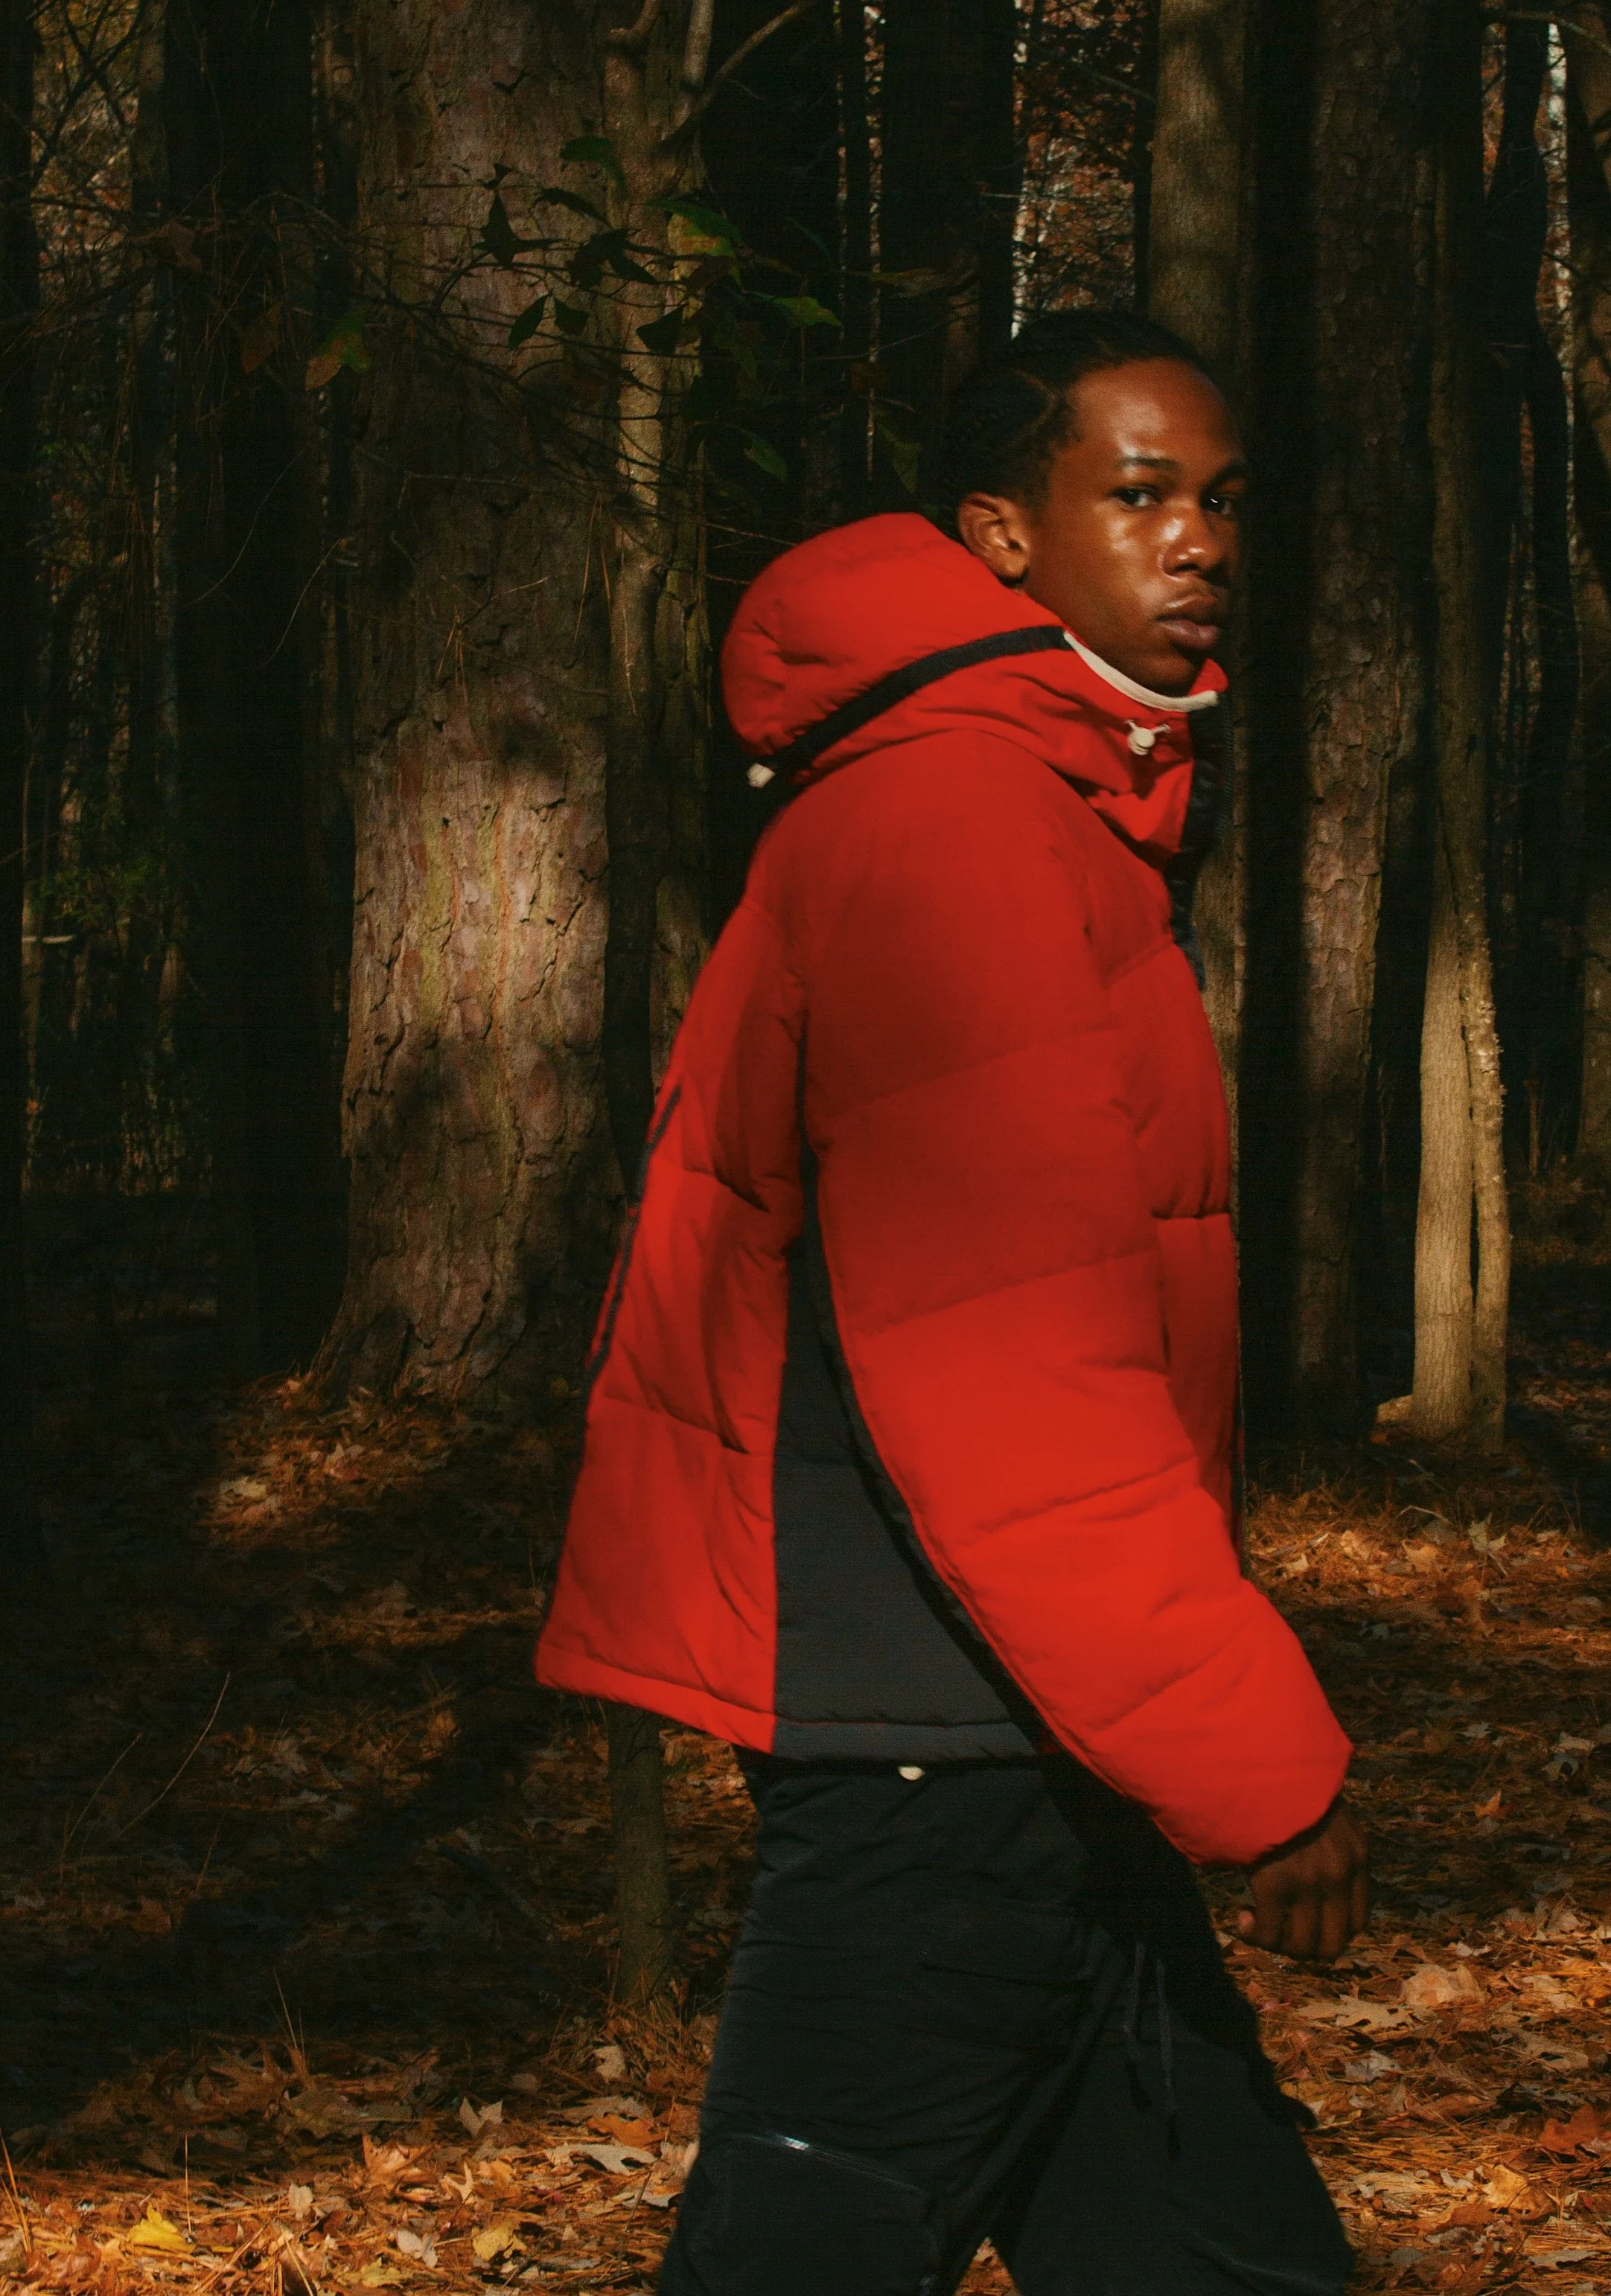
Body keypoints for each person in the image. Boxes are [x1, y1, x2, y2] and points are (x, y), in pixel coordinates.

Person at [535, 310, 1368, 2295]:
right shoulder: (959, 828)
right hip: (940, 1730)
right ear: (999, 533)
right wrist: (1255, 1759)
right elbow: (1010, 1370)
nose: (1200, 543)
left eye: (1222, 499)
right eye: (1139, 494)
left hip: (1010, 1729)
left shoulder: (1022, 803)